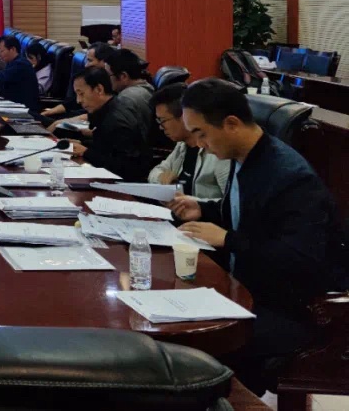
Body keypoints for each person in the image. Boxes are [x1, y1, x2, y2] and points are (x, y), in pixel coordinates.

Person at [172, 78, 347, 394]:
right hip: (247, 289)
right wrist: (205, 208)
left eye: (201, 133)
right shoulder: (242, 156)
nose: (197, 144)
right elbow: (250, 216)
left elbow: (301, 259)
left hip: (290, 310)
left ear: (231, 124)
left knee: (189, 349)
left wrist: (228, 239)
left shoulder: (289, 177)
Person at [147, 84, 229, 199]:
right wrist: (161, 177)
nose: (161, 127)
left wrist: (190, 203)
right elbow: (155, 172)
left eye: (163, 120)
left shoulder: (218, 151)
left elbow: (232, 204)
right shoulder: (182, 145)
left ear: (184, 116)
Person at [70, 67, 151, 182]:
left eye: (81, 94)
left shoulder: (117, 120)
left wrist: (86, 152)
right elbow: (106, 147)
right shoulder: (111, 105)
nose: (78, 100)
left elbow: (127, 167)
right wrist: (82, 145)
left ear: (99, 89)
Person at [41, 42, 114, 124]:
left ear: (104, 62)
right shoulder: (89, 79)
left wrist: (60, 122)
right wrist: (49, 112)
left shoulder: (114, 84)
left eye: (90, 60)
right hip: (79, 115)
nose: (86, 65)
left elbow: (97, 114)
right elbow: (73, 103)